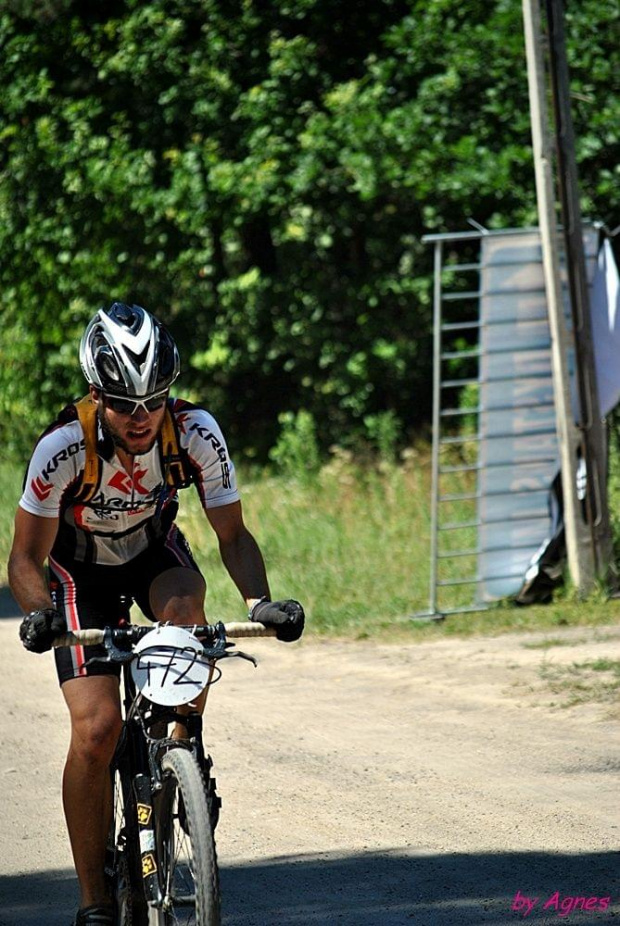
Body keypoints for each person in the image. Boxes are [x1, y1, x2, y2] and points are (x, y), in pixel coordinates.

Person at [8, 302, 305, 926]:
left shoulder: (196, 431)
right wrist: (40, 616)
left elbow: (234, 535)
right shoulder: (62, 448)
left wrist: (260, 603)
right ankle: (93, 900)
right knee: (95, 731)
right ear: (98, 394)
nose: (141, 418)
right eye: (123, 404)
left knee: (185, 606)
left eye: (154, 401)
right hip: (75, 570)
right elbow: (25, 561)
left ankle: (181, 751)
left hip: (151, 551)